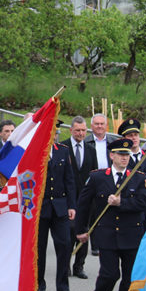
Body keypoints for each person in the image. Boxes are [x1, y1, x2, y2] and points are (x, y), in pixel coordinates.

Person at [75, 138, 146, 291]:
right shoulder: (98, 177)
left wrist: (122, 203)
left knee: (130, 279)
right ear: (112, 156)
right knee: (109, 275)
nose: (124, 158)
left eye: (127, 155)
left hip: (131, 235)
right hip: (107, 234)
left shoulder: (138, 177)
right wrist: (80, 230)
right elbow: (83, 205)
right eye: (120, 155)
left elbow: (144, 203)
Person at [37, 126, 77, 291]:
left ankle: (62, 286)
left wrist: (71, 205)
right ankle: (39, 284)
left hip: (60, 205)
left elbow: (69, 180)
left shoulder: (63, 151)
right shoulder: (35, 151)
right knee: (39, 247)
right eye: (50, 131)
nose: (53, 135)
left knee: (65, 244)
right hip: (41, 206)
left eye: (55, 132)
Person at [62, 115, 99, 277]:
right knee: (69, 232)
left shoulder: (91, 149)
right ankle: (66, 265)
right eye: (77, 130)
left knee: (84, 232)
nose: (81, 133)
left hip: (86, 199)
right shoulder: (63, 147)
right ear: (71, 130)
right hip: (68, 198)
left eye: (83, 130)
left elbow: (95, 172)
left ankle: (79, 266)